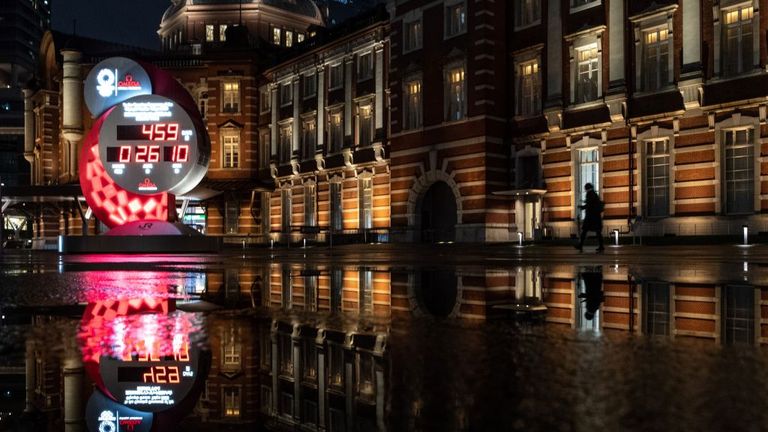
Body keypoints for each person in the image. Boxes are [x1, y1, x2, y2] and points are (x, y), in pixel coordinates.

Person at [575, 183, 604, 252]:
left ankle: (580, 245)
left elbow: (589, 204)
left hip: (591, 217)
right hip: (596, 216)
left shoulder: (589, 194)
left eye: (585, 188)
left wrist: (582, 207)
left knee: (584, 231)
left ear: (587, 188)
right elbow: (591, 203)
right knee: (598, 232)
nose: (584, 189)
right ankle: (601, 246)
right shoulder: (594, 194)